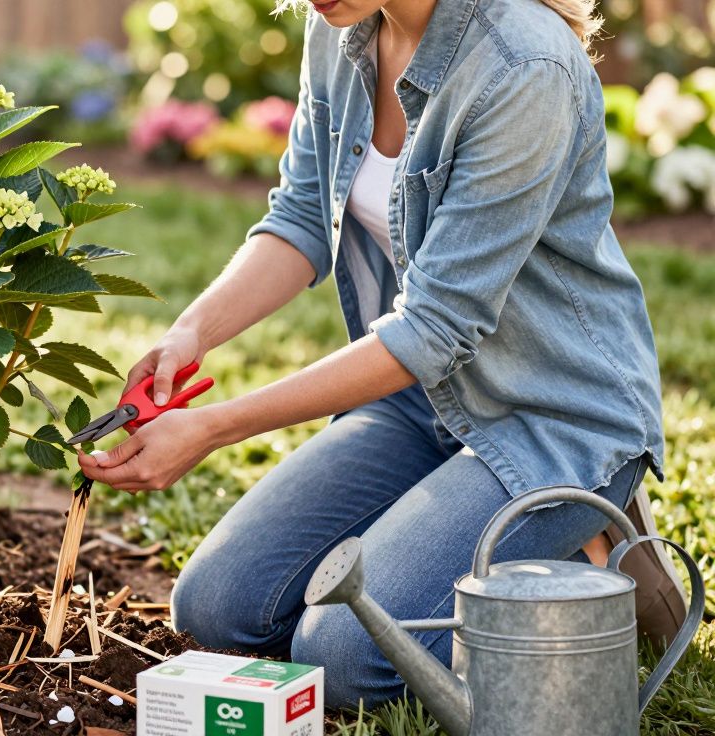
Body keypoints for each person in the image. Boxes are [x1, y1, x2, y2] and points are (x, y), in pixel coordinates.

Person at [77, 0, 688, 711]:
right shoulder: (340, 28)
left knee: (342, 655)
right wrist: (190, 333)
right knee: (219, 606)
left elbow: (433, 327)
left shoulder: (526, 66)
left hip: (551, 417)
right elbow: (303, 214)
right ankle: (477, 533)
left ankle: (580, 538)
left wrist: (213, 428)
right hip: (415, 401)